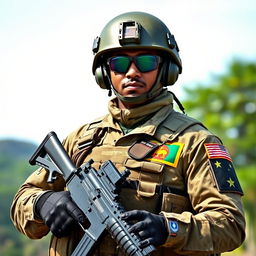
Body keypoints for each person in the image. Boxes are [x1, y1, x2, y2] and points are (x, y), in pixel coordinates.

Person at [11, 11, 246, 256]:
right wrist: (43, 204)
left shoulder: (194, 142)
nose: (132, 72)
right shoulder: (81, 140)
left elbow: (230, 225)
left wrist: (169, 229)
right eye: (119, 64)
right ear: (105, 73)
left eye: (145, 62)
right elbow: (22, 200)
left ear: (166, 70)